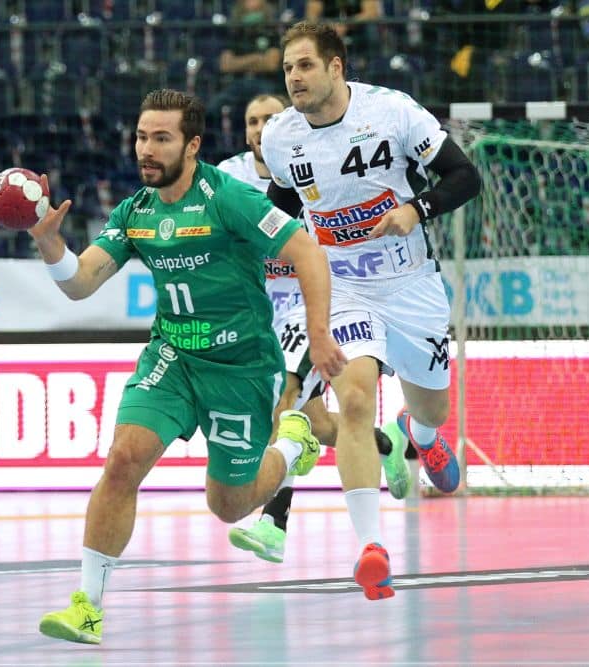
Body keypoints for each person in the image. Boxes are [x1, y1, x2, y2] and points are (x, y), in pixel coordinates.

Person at [32, 88, 347, 645]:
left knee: (228, 506)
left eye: (160, 139)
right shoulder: (136, 212)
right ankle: (87, 607)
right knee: (124, 460)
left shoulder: (229, 199)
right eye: (140, 137)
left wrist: (319, 334)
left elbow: (308, 252)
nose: (145, 151)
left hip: (242, 368)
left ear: (192, 144)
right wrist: (51, 247)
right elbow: (81, 283)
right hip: (173, 357)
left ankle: (293, 443)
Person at [261, 21, 481, 599]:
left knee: (430, 403)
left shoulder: (393, 112)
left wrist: (417, 209)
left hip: (411, 286)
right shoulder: (283, 137)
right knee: (355, 396)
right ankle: (371, 547)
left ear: (336, 67)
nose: (294, 78)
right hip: (345, 289)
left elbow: (465, 176)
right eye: (287, 68)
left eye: (305, 65)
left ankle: (420, 432)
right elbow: (281, 206)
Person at [216, 92, 411, 564]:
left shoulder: (313, 166)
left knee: (283, 403)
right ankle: (388, 441)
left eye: (269, 119)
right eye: (251, 120)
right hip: (263, 315)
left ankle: (272, 525)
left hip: (315, 307)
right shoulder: (227, 176)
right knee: (320, 424)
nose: (260, 128)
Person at [208, 0, 283, 119]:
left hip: (264, 82)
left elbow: (271, 64)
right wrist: (256, 58)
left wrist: (238, 62)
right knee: (213, 107)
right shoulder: (236, 32)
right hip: (238, 83)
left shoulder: (272, 31)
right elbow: (225, 65)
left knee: (272, 106)